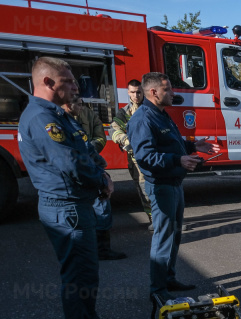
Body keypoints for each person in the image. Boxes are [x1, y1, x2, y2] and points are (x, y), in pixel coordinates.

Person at [18, 57, 121, 319]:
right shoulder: (42, 118)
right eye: (69, 81)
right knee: (78, 276)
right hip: (66, 208)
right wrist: (100, 180)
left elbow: (83, 147)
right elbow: (71, 163)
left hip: (73, 205)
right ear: (48, 83)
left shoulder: (55, 114)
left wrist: (100, 170)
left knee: (87, 273)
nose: (76, 86)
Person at [129, 72, 219, 300]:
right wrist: (177, 160)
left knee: (174, 235)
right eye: (168, 89)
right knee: (163, 237)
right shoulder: (142, 119)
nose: (173, 93)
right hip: (161, 186)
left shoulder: (162, 114)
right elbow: (146, 157)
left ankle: (168, 279)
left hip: (174, 184)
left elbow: (172, 143)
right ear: (153, 92)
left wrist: (192, 146)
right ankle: (158, 291)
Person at [64, 98, 127, 261]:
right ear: (68, 104)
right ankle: (93, 249)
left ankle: (101, 249)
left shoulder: (85, 117)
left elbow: (97, 140)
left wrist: (101, 171)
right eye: (78, 104)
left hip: (90, 168)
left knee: (101, 208)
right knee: (92, 210)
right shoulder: (60, 122)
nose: (81, 107)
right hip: (79, 172)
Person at [111, 79, 151, 227]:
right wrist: (126, 141)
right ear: (128, 92)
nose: (136, 95)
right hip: (136, 160)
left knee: (160, 190)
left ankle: (166, 221)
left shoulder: (151, 108)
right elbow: (114, 129)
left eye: (139, 92)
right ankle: (153, 220)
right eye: (133, 92)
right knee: (144, 191)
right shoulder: (124, 113)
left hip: (154, 157)